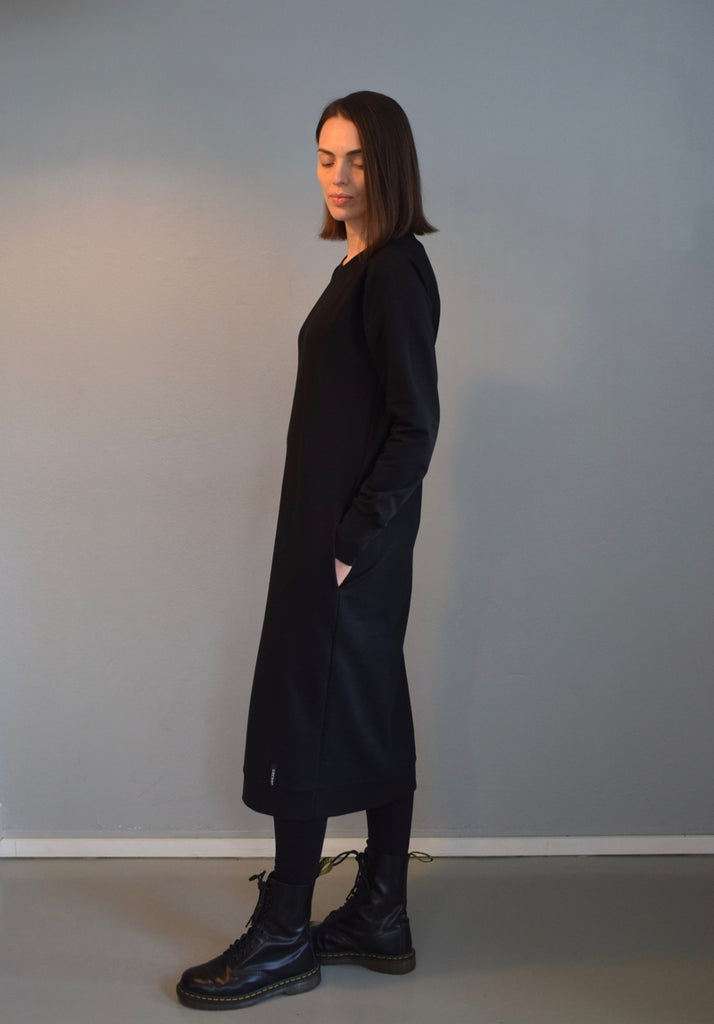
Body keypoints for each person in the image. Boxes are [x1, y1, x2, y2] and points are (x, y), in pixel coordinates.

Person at [177, 91, 440, 1011]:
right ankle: (380, 915)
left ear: (390, 164)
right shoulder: (361, 266)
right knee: (370, 709)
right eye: (326, 157)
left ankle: (286, 933)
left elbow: (415, 425)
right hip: (339, 547)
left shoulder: (392, 272)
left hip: (345, 551)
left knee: (307, 718)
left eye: (357, 159)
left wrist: (348, 543)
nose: (338, 176)